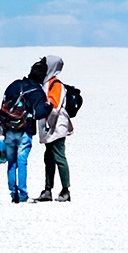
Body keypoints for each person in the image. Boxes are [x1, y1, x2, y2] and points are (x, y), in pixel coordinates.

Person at [0, 58, 53, 203]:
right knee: (22, 161)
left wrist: (1, 131)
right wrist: (49, 106)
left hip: (9, 130)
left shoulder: (13, 85)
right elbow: (39, 112)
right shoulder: (37, 91)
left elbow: (3, 108)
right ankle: (22, 195)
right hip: (24, 130)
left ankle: (13, 194)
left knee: (12, 162)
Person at [35, 55, 73, 202]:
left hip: (56, 127)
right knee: (49, 158)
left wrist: (48, 124)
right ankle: (47, 189)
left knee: (59, 157)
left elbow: (54, 107)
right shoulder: (47, 84)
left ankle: (65, 190)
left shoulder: (55, 85)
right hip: (51, 128)